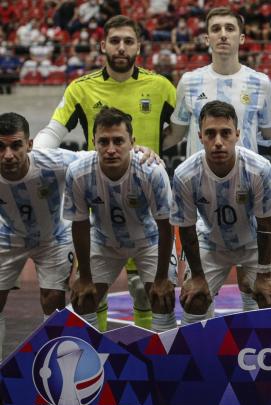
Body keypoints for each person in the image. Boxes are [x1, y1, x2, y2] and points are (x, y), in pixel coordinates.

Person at [34, 14, 176, 331]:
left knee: (144, 290)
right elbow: (52, 133)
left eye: (128, 41)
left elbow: (181, 129)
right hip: (100, 201)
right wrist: (41, 156)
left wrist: (156, 153)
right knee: (90, 294)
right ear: (102, 46)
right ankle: (97, 356)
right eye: (115, 41)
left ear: (139, 46)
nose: (121, 47)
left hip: (146, 202)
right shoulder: (80, 89)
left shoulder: (161, 86)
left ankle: (149, 354)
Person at [64, 107, 175, 332]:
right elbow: (80, 224)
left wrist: (162, 277)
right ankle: (92, 360)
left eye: (118, 141)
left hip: (149, 241)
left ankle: (164, 361)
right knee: (83, 299)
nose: (111, 149)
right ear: (94, 141)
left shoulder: (151, 171)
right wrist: (84, 275)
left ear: (132, 142)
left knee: (163, 298)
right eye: (104, 142)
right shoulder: (78, 172)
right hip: (105, 241)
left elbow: (166, 226)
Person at [171, 101, 271, 324]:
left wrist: (262, 275)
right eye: (210, 134)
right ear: (200, 136)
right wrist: (198, 277)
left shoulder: (259, 169)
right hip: (211, 241)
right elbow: (186, 229)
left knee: (269, 296)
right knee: (195, 300)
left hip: (254, 242)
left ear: (237, 135)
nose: (218, 142)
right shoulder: (185, 174)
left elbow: (266, 225)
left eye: (225, 133)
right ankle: (202, 354)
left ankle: (263, 349)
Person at [0, 113, 78, 359]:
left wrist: (139, 152)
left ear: (30, 144)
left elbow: (97, 160)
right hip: (8, 234)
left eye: (15, 145)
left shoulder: (55, 161)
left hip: (52, 236)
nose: (8, 155)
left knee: (53, 299)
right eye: (0, 147)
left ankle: (54, 366)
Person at [163, 7, 271, 157]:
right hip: (199, 179)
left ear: (241, 38)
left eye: (229, 29)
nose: (223, 35)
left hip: (245, 179)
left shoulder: (260, 83)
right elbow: (175, 134)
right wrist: (136, 149)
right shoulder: (189, 82)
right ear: (207, 39)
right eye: (216, 29)